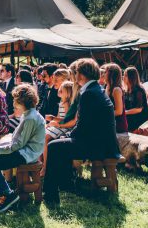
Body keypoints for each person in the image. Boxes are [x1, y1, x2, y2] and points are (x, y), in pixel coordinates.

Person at [43, 58, 120, 204]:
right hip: (103, 141)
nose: (74, 75)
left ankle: (50, 194)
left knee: (53, 146)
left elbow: (83, 127)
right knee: (61, 143)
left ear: (82, 75)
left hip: (97, 145)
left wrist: (69, 134)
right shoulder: (96, 89)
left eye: (76, 72)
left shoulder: (88, 93)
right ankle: (66, 183)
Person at [0, 84, 46, 213]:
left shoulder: (30, 118)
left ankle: (8, 195)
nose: (13, 103)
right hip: (24, 151)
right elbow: (16, 142)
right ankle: (7, 194)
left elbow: (18, 145)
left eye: (16, 100)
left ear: (23, 102)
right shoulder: (28, 114)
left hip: (27, 155)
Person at [123, 67, 148, 132]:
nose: (123, 77)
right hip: (130, 116)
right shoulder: (126, 90)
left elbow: (139, 109)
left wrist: (124, 113)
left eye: (126, 75)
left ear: (131, 77)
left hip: (139, 119)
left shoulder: (139, 90)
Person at [105, 63, 128, 133]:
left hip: (118, 125)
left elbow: (119, 111)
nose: (103, 74)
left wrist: (103, 114)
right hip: (111, 124)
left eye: (106, 72)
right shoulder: (107, 87)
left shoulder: (116, 90)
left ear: (111, 75)